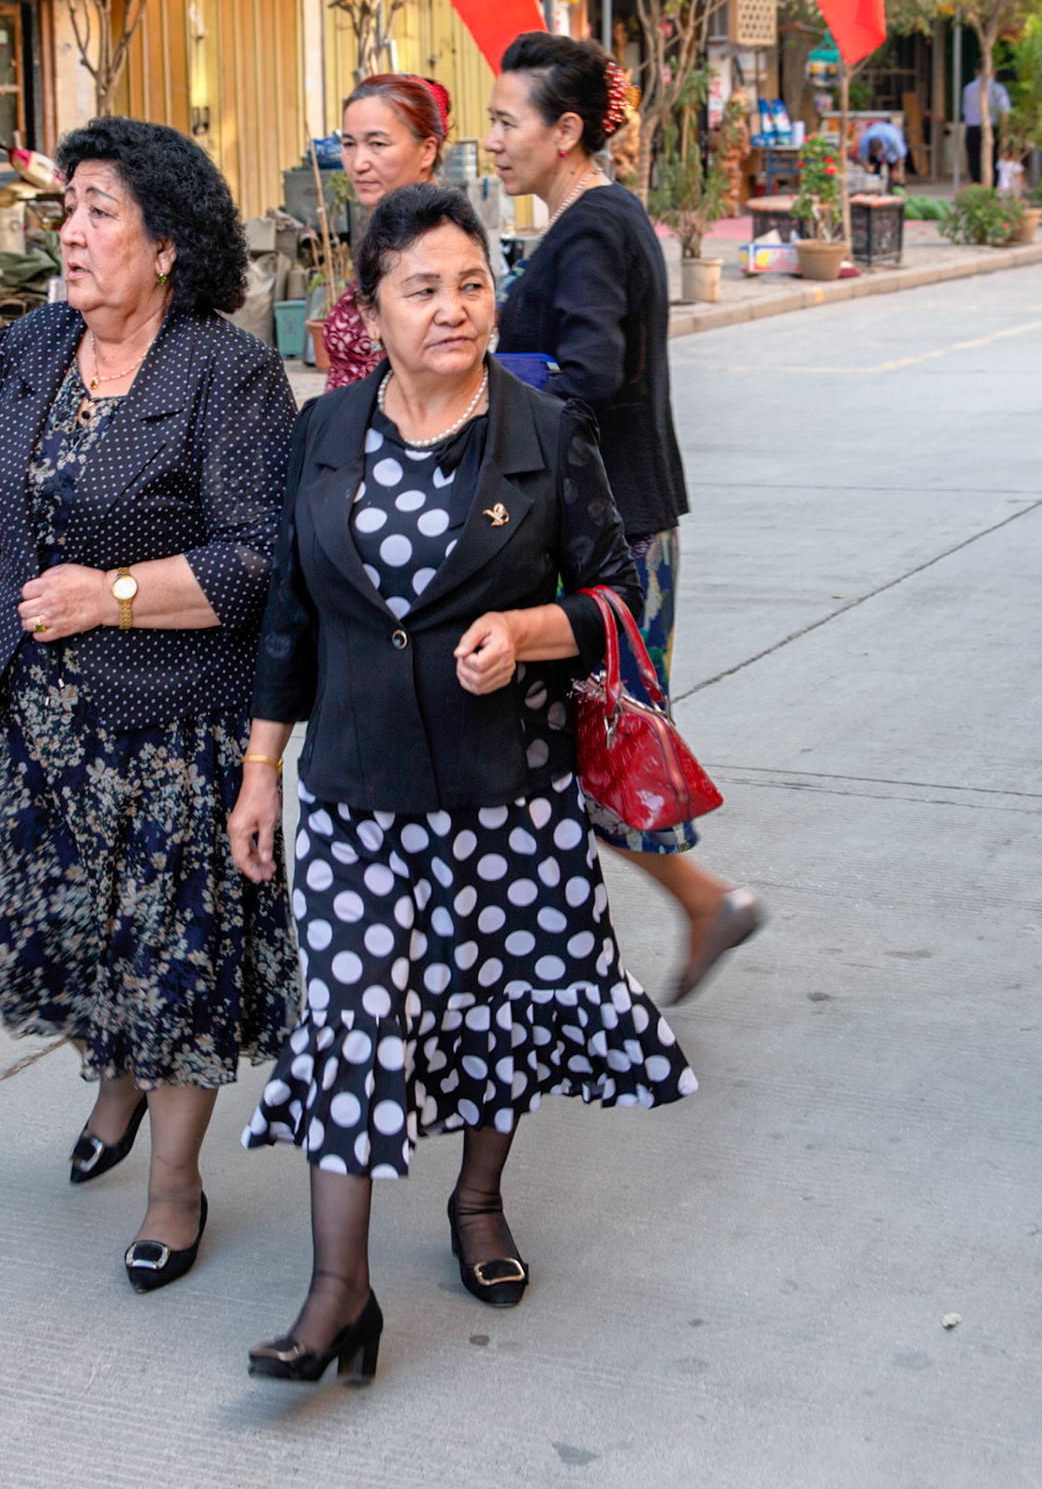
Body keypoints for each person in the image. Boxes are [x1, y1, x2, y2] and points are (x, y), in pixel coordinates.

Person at [229, 183, 695, 1386]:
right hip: (352, 787)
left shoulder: (545, 431)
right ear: (372, 311)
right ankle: (339, 1291)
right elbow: (291, 611)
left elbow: (617, 600)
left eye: (472, 283)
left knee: (497, 1008)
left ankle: (477, 1202)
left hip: (507, 792)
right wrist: (262, 768)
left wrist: (532, 632)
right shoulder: (323, 430)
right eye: (423, 289)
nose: (455, 309)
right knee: (350, 1018)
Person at [0, 117, 300, 1291]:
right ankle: (112, 1074)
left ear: (167, 244)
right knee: (84, 943)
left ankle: (174, 1183)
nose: (71, 236)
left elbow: (259, 563)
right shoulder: (29, 348)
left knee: (175, 967)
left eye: (98, 213)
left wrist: (113, 594)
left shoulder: (224, 373)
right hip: (42, 723)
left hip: (177, 726)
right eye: (66, 210)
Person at [489, 33, 761, 1002]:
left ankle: (696, 904)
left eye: (505, 122)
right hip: (612, 531)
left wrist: (487, 389)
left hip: (614, 542)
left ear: (565, 132)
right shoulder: (592, 223)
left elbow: (592, 375)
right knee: (573, 754)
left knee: (594, 749)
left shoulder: (595, 228)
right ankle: (600, 951)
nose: (493, 142)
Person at [319, 73, 451, 391]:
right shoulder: (389, 232)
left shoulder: (437, 242)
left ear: (427, 151)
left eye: (377, 144)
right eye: (349, 144)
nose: (358, 162)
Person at [962, 70, 1010, 185]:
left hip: (972, 128)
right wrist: (1005, 132)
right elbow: (1005, 112)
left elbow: (965, 110)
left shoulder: (968, 88)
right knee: (994, 160)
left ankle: (976, 185)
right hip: (991, 127)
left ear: (976, 72)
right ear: (993, 72)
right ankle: (993, 187)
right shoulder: (998, 88)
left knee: (974, 160)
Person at [855, 119, 907, 192]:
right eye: (874, 153)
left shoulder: (893, 140)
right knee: (874, 173)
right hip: (877, 136)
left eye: (877, 153)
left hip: (891, 147)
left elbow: (901, 155)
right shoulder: (865, 143)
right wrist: (867, 167)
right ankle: (875, 192)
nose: (876, 155)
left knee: (895, 175)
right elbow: (862, 158)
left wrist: (894, 170)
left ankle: (897, 190)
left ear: (882, 148)